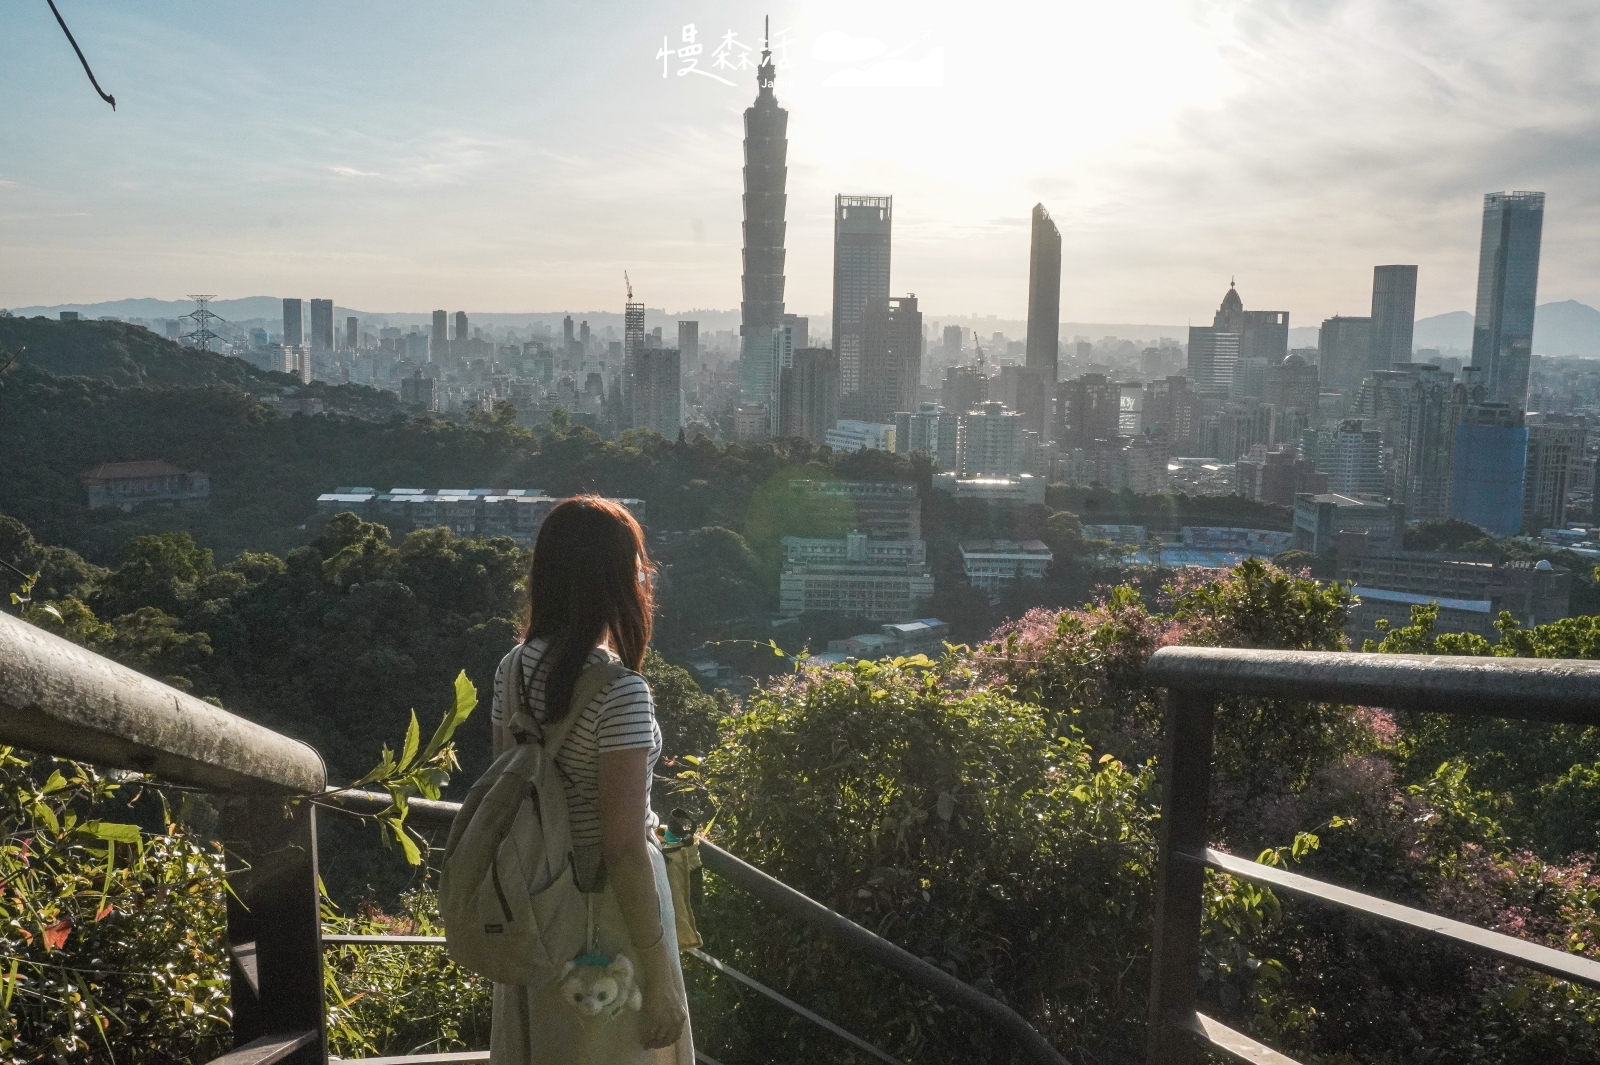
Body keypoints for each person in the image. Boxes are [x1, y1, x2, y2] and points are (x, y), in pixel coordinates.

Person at [488, 496, 692, 1064]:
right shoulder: (620, 692)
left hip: (533, 907)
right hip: (607, 926)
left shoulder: (514, 668)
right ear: (621, 579)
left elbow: (508, 793)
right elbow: (623, 846)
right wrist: (660, 977)